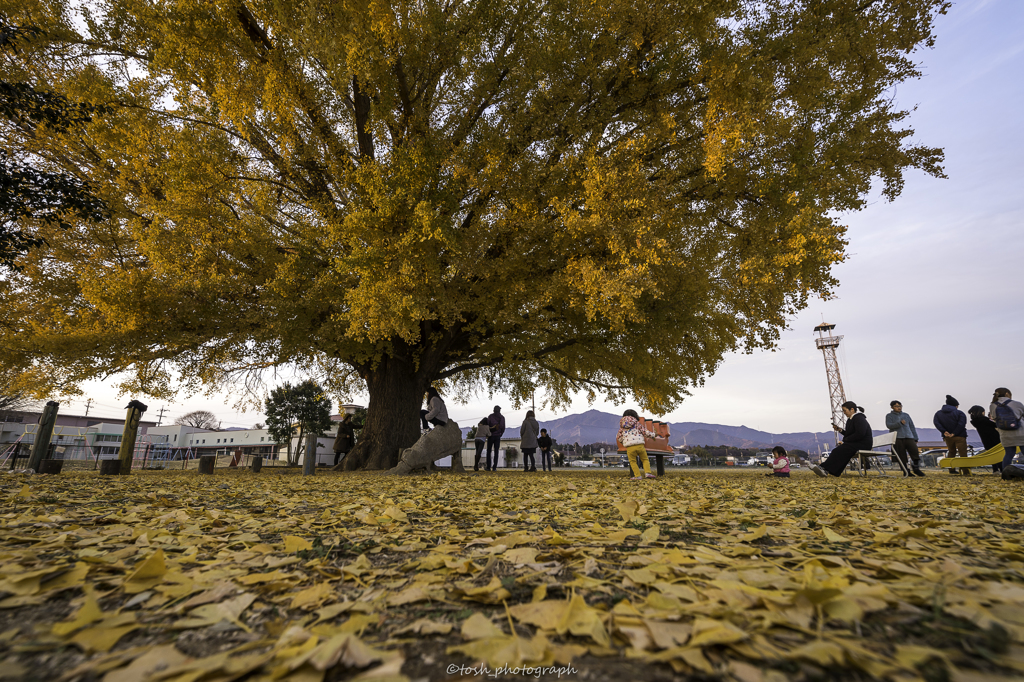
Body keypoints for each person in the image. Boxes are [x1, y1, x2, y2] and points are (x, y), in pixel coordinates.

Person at [811, 402, 873, 477]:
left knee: (840, 450)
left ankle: (825, 468)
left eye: (845, 410)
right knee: (838, 450)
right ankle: (826, 469)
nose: (844, 413)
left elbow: (860, 433)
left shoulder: (859, 418)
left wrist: (846, 440)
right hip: (857, 443)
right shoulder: (851, 420)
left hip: (863, 444)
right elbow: (850, 433)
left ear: (852, 409)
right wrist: (840, 430)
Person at [884, 400, 925, 477]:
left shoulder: (906, 415)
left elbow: (911, 426)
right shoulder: (889, 416)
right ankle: (906, 471)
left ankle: (916, 468)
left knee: (914, 452)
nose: (899, 408)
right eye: (896, 406)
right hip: (897, 437)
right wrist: (899, 423)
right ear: (892, 407)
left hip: (909, 436)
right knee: (901, 455)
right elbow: (889, 425)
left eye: (900, 406)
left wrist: (915, 437)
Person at [617, 409, 658, 480]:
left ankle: (637, 475)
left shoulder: (622, 426)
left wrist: (623, 442)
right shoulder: (637, 424)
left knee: (632, 462)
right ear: (635, 416)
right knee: (645, 459)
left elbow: (619, 437)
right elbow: (645, 432)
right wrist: (654, 435)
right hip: (639, 445)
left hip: (629, 447)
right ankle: (648, 473)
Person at [990, 388, 1024, 474]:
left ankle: (1005, 475)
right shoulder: (1017, 404)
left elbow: (994, 418)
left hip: (1005, 433)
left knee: (1008, 454)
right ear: (1007, 394)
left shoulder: (993, 405)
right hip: (1020, 432)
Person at [933, 395, 968, 474]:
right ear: (956, 405)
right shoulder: (959, 413)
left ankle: (951, 469)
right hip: (960, 436)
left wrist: (944, 431)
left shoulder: (938, 414)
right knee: (963, 453)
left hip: (947, 437)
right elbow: (961, 424)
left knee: (951, 452)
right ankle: (965, 470)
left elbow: (937, 423)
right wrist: (954, 433)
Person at [968, 405, 1002, 473]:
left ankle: (995, 470)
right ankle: (1002, 469)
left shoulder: (975, 421)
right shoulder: (984, 420)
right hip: (994, 439)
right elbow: (996, 425)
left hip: (986, 441)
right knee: (999, 455)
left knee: (992, 456)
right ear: (980, 412)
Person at [485, 406, 505, 471]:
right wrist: (500, 434)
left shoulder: (490, 416)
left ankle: (488, 467)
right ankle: (494, 467)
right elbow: (503, 427)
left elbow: (487, 425)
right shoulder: (502, 418)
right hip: (497, 436)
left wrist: (488, 433)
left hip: (491, 436)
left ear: (493, 410)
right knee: (496, 451)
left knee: (489, 451)